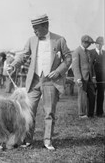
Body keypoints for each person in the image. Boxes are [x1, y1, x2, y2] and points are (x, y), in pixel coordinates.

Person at [7, 14, 72, 151]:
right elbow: (23, 55)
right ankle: (27, 140)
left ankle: (47, 141)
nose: (34, 31)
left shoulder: (59, 40)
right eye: (33, 28)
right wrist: (13, 65)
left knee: (49, 112)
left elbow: (68, 59)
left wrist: (59, 71)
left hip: (50, 82)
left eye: (36, 28)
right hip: (34, 81)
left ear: (45, 26)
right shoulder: (31, 40)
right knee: (29, 112)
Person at [72, 35, 96, 119]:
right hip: (81, 78)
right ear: (83, 42)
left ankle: (91, 113)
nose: (89, 45)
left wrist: (93, 76)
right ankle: (82, 114)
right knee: (82, 95)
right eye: (88, 43)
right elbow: (75, 66)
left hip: (89, 78)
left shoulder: (88, 52)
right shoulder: (76, 52)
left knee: (92, 95)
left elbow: (91, 66)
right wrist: (78, 78)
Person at [90, 36, 105, 117]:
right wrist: (93, 77)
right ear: (95, 44)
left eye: (101, 44)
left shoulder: (104, 53)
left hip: (102, 79)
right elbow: (89, 66)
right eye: (97, 44)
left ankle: (99, 112)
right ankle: (91, 113)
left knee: (101, 95)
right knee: (92, 95)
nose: (99, 45)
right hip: (93, 78)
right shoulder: (91, 52)